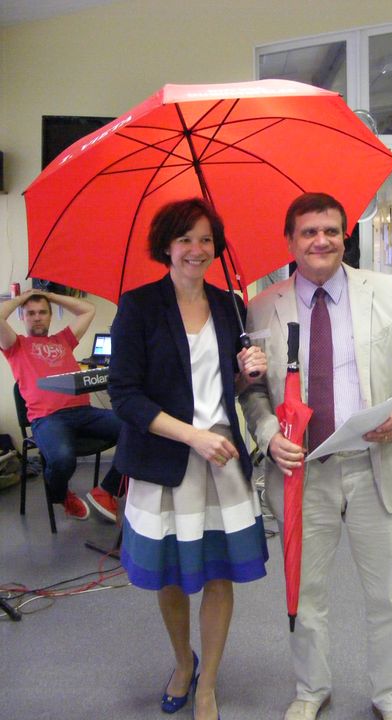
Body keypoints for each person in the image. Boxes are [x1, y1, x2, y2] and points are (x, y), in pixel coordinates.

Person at [239, 192, 392, 720]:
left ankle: (390, 697)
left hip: (376, 466)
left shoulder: (386, 292)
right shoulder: (262, 305)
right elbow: (253, 392)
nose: (321, 240)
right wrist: (267, 433)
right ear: (290, 241)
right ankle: (311, 689)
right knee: (305, 594)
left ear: (345, 236)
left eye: (330, 230)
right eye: (308, 232)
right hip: (301, 473)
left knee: (388, 595)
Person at [107, 197, 269, 720]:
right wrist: (192, 436)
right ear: (166, 246)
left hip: (222, 459)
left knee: (220, 574)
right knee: (172, 576)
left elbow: (230, 387)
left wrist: (248, 372)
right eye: (185, 239)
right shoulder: (139, 306)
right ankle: (183, 663)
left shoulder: (228, 305)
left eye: (205, 239)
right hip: (166, 460)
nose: (196, 250)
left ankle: (208, 685)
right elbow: (124, 395)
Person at [0, 289, 123, 521]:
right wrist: (23, 297)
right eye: (31, 313)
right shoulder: (15, 345)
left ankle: (107, 491)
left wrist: (49, 296)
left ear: (50, 316)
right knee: (62, 459)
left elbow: (88, 309)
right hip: (48, 419)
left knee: (138, 428)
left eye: (43, 312)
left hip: (84, 413)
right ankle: (61, 495)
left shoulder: (63, 340)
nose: (37, 317)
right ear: (23, 317)